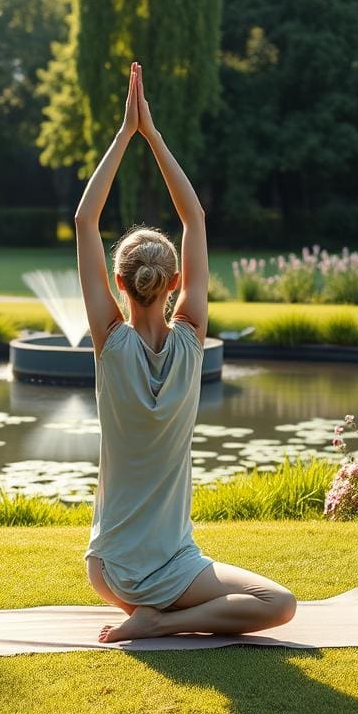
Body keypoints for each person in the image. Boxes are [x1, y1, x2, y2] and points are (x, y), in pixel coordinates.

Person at [76, 61, 297, 643]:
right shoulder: (192, 339)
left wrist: (125, 134)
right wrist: (153, 134)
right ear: (173, 285)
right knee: (279, 604)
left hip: (110, 571)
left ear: (120, 285)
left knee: (273, 601)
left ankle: (151, 620)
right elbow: (194, 217)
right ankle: (165, 622)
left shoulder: (108, 341)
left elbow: (84, 221)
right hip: (173, 565)